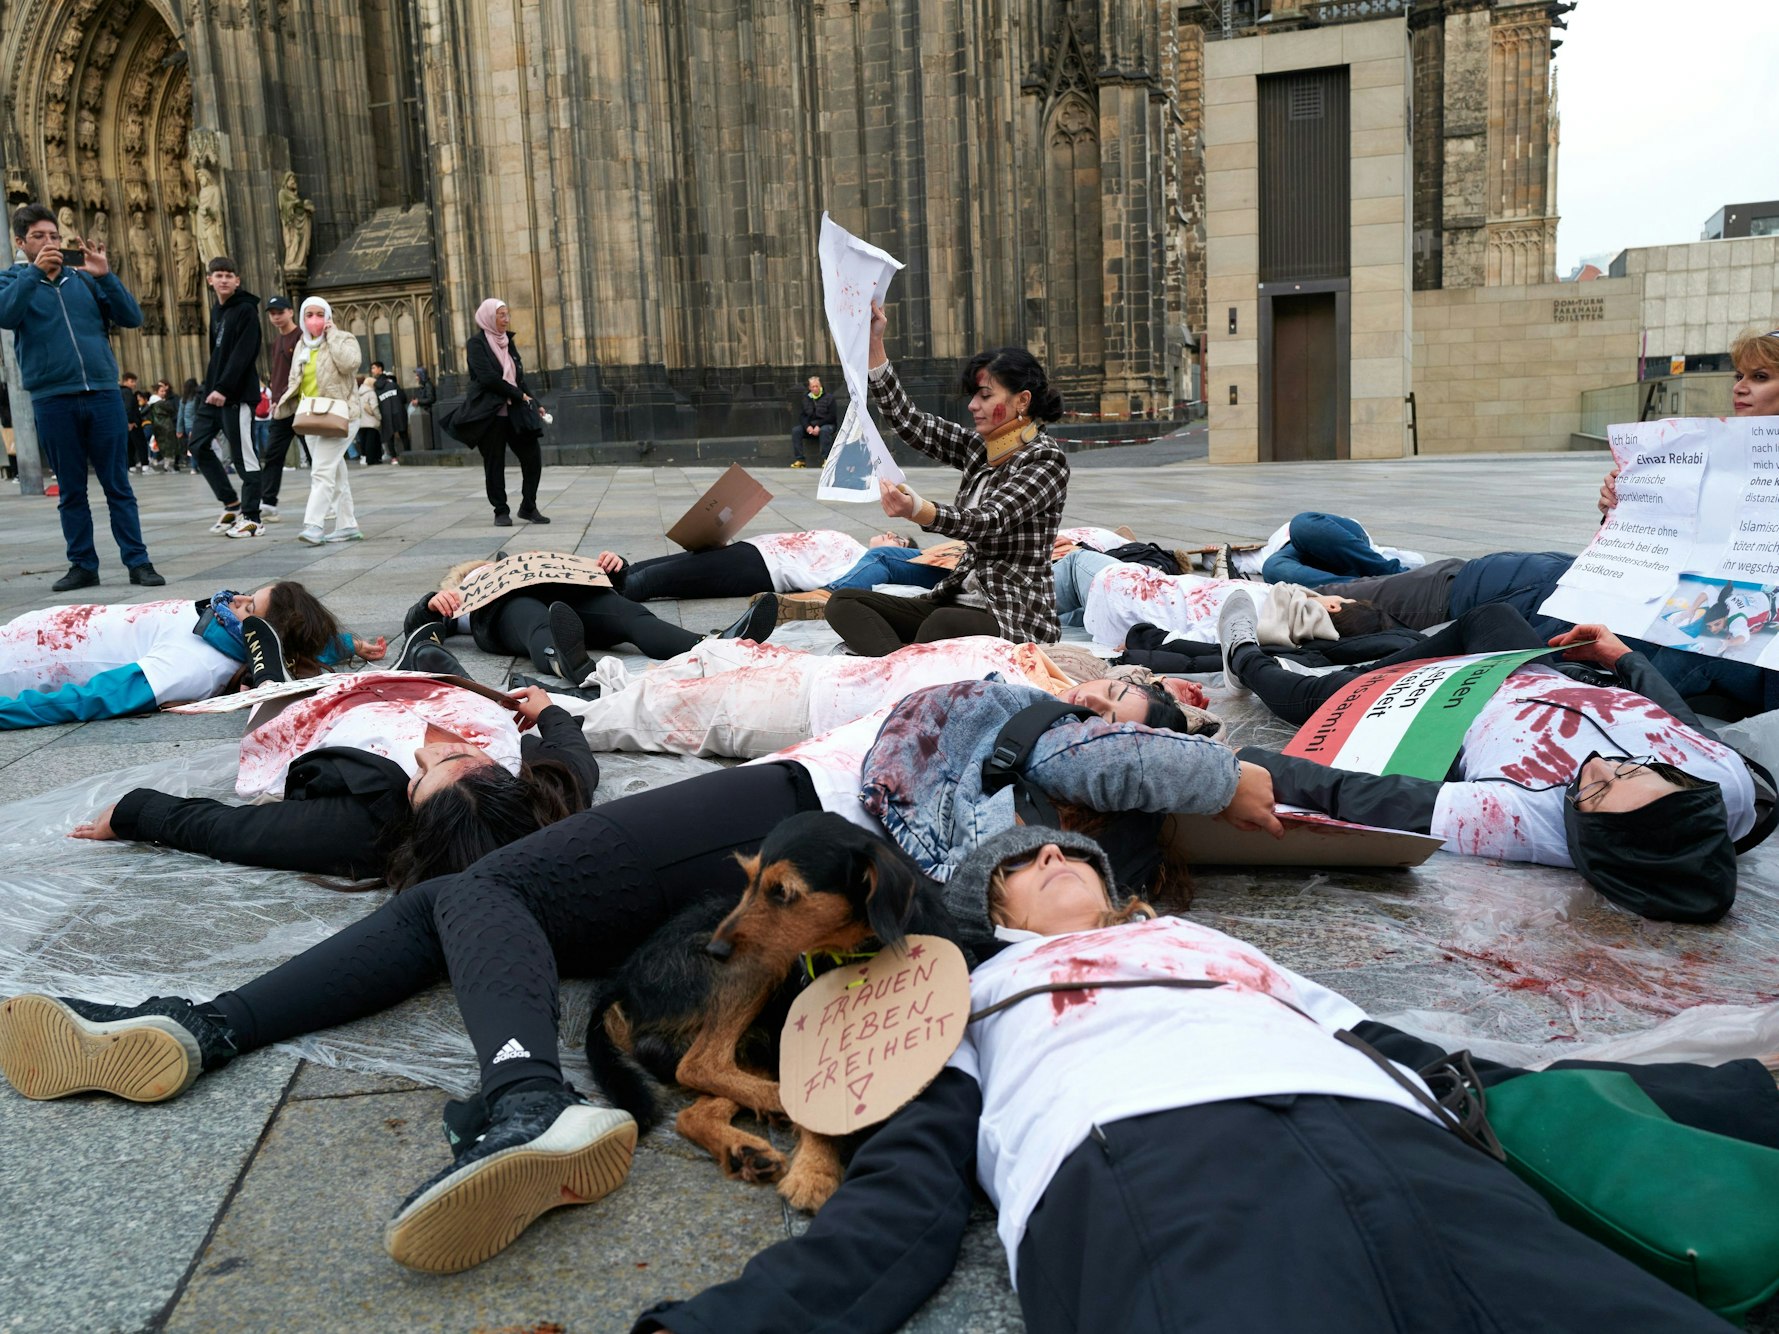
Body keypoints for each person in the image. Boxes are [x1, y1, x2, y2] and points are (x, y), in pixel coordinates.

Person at [0, 662, 1264, 1273]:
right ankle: (207, 1027)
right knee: (466, 895)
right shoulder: (1029, 717)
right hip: (765, 843)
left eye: (1138, 690)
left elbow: (1186, 772)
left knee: (476, 890)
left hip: (792, 820)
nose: (1119, 685)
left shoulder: (1085, 752)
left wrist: (1234, 769)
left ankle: (513, 1095)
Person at [629, 825, 1751, 1334]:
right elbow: (915, 1176)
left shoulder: (1225, 949)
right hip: (1150, 1175)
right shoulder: (960, 985)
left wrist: (1744, 1087)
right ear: (997, 911)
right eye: (1018, 863)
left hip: (1409, 1153)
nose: (1052, 856)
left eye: (1071, 852)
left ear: (1126, 896)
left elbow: (1452, 1067)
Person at [1219, 595, 1772, 922]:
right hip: (1550, 673)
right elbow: (1684, 726)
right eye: (1636, 769)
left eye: (1596, 792)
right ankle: (1339, 653)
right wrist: (1622, 658)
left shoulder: (1520, 821)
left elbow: (1366, 796)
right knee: (1493, 615)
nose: (1602, 765)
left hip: (1440, 709)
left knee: (1315, 698)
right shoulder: (1727, 787)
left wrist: (1227, 768)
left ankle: (1244, 655)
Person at [72, 675, 598, 886]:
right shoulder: (542, 795)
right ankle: (431, 655)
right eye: (458, 757)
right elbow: (574, 757)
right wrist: (549, 709)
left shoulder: (359, 826)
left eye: (421, 777)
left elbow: (229, 831)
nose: (423, 752)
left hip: (321, 716)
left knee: (270, 690)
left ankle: (270, 670)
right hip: (416, 691)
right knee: (424, 669)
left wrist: (132, 814)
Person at [825, 302, 1069, 655]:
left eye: (985, 396)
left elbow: (989, 521)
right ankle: (897, 669)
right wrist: (875, 347)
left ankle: (900, 668)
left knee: (939, 626)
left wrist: (918, 510)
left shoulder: (1046, 459)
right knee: (844, 602)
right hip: (956, 601)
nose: (972, 405)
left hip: (1013, 616)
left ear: (1022, 401)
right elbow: (911, 422)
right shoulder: (981, 448)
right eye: (973, 395)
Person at [541, 634, 1205, 760]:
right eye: (1113, 692)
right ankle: (605, 678)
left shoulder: (1033, 728)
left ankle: (534, 720)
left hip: (803, 712)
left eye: (1106, 718)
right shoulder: (1064, 668)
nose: (1095, 699)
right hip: (823, 668)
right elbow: (1131, 678)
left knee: (645, 716)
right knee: (707, 655)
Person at [0, 204, 164, 591]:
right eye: (39, 236)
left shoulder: (84, 281)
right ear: (20, 243)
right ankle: (83, 565)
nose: (50, 242)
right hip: (52, 397)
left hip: (103, 393)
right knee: (72, 490)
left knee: (117, 485)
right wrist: (34, 273)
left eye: (54, 236)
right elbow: (7, 315)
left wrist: (106, 276)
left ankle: (138, 562)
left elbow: (132, 317)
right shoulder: (11, 280)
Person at [0, 582, 370, 728]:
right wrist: (346, 646)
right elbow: (290, 640)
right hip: (34, 628)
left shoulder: (197, 666)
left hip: (16, 664)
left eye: (249, 606)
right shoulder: (222, 627)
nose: (236, 599)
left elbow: (90, 699)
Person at [406, 552, 770, 680]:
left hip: (563, 597)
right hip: (502, 612)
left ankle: (711, 646)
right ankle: (563, 660)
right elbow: (416, 625)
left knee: (627, 614)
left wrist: (615, 571)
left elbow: (605, 585)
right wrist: (431, 605)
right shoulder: (461, 594)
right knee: (531, 618)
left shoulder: (524, 564)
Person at [1598, 328, 1779, 516]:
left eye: (1760, 377)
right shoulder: (1700, 449)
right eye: (1739, 376)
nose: (1738, 387)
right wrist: (1621, 507)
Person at [442, 298, 547, 527]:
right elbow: (488, 378)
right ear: (489, 317)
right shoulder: (476, 344)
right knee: (494, 462)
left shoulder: (508, 342)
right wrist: (521, 395)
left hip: (516, 412)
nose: (506, 319)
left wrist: (533, 401)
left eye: (507, 314)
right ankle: (501, 510)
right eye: (501, 315)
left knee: (533, 458)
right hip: (490, 413)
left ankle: (529, 507)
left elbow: (518, 377)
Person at [606, 530, 914, 605]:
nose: (890, 535)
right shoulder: (854, 545)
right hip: (749, 550)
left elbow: (835, 591)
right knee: (639, 568)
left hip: (760, 570)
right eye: (892, 532)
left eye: (898, 541)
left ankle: (603, 597)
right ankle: (603, 579)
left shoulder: (867, 566)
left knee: (645, 583)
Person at [186, 256, 266, 539]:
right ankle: (231, 503)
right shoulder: (217, 311)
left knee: (245, 455)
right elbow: (216, 356)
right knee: (197, 446)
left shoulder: (246, 311)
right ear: (210, 280)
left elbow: (244, 354)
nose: (223, 280)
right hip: (213, 395)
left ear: (237, 280)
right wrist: (209, 390)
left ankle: (253, 517)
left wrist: (224, 388)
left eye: (228, 275)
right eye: (218, 275)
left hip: (236, 396)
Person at [282, 297, 367, 545]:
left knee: (320, 471)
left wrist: (333, 336)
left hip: (341, 415)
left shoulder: (344, 339)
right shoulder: (301, 346)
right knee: (335, 472)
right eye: (309, 315)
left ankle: (314, 525)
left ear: (329, 316)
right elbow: (294, 380)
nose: (315, 320)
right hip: (311, 416)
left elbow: (350, 364)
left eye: (320, 314)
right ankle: (347, 524)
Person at [1260, 512, 1411, 587]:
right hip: (1300, 558)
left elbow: (1417, 560)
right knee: (1271, 568)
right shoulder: (1263, 555)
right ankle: (1363, 586)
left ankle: (1394, 574)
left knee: (1302, 524)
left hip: (1336, 539)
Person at [260, 295, 301, 519]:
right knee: (274, 455)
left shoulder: (301, 337)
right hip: (281, 408)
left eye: (280, 311)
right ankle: (268, 503)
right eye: (272, 313)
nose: (276, 316)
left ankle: (331, 501)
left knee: (316, 456)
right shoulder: (277, 342)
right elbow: (278, 375)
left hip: (300, 405)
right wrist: (275, 397)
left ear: (290, 312)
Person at [789, 374, 837, 469]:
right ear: (809, 388)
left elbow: (832, 416)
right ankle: (800, 460)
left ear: (820, 386)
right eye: (813, 387)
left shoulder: (829, 398)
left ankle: (826, 459)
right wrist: (807, 427)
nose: (815, 388)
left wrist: (818, 425)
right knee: (796, 431)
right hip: (811, 426)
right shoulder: (806, 398)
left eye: (817, 386)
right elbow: (802, 415)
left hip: (826, 425)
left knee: (824, 431)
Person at [372, 360, 406, 462]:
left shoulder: (376, 387)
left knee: (389, 435)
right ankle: (408, 454)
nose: (372, 370)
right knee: (403, 433)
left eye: (373, 368)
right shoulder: (392, 383)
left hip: (385, 413)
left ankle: (394, 457)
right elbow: (403, 397)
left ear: (380, 369)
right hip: (398, 410)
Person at [351, 372, 383, 467]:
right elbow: (374, 407)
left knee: (364, 440)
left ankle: (366, 457)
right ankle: (372, 459)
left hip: (361, 421)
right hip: (371, 420)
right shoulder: (371, 393)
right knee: (372, 440)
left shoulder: (358, 393)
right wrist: (379, 417)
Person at [147, 379, 178, 473]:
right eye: (162, 391)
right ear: (156, 392)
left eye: (165, 391)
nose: (164, 393)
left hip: (157, 427)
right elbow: (172, 410)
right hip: (166, 426)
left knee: (163, 447)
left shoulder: (151, 403)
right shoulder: (161, 403)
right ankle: (168, 466)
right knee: (169, 446)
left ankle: (165, 465)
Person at [120, 372, 149, 473]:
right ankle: (145, 465)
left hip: (124, 423)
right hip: (133, 423)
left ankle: (131, 466)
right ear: (125, 381)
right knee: (141, 444)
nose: (134, 384)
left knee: (129, 445)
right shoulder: (127, 392)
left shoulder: (120, 392)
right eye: (132, 381)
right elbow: (128, 407)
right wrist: (131, 421)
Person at [177, 377, 201, 473]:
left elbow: (180, 415)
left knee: (191, 446)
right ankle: (194, 466)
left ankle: (194, 466)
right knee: (197, 446)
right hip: (196, 425)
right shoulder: (197, 399)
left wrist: (179, 429)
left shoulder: (183, 400)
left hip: (188, 427)